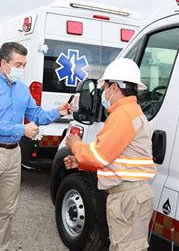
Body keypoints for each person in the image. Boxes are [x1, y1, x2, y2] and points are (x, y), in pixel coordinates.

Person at [0, 42, 73, 250]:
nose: (21, 69)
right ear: (4, 63)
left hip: (12, 154)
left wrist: (58, 111)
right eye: (18, 64)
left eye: (24, 64)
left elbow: (36, 115)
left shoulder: (23, 90)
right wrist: (20, 130)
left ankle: (3, 247)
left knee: (7, 209)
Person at [64, 58, 156, 251]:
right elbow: (113, 157)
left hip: (127, 198)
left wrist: (76, 145)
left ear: (114, 87)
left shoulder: (123, 114)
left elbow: (99, 155)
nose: (104, 93)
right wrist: (80, 163)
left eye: (104, 87)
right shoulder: (131, 112)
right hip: (132, 195)